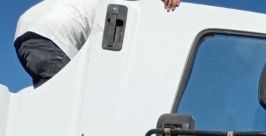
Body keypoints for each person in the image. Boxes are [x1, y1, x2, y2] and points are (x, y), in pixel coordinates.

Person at [14, 0, 180, 88]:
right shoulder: (116, 7)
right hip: (52, 35)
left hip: (28, 31)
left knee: (49, 102)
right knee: (62, 108)